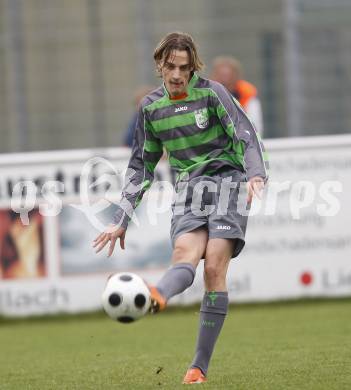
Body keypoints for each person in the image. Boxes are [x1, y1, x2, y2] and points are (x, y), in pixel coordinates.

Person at [93, 32, 268, 385]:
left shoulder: (213, 93)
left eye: (184, 68)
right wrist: (121, 220)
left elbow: (246, 136)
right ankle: (156, 295)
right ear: (160, 64)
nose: (176, 74)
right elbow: (141, 167)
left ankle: (198, 367)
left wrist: (255, 175)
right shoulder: (150, 108)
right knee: (184, 252)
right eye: (170, 66)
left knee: (215, 264)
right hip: (189, 188)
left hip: (228, 180)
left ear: (193, 68)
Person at [210, 56, 264, 136]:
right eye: (221, 76)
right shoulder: (204, 95)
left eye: (228, 76)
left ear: (237, 76)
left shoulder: (247, 95)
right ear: (213, 76)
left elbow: (256, 126)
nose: (224, 81)